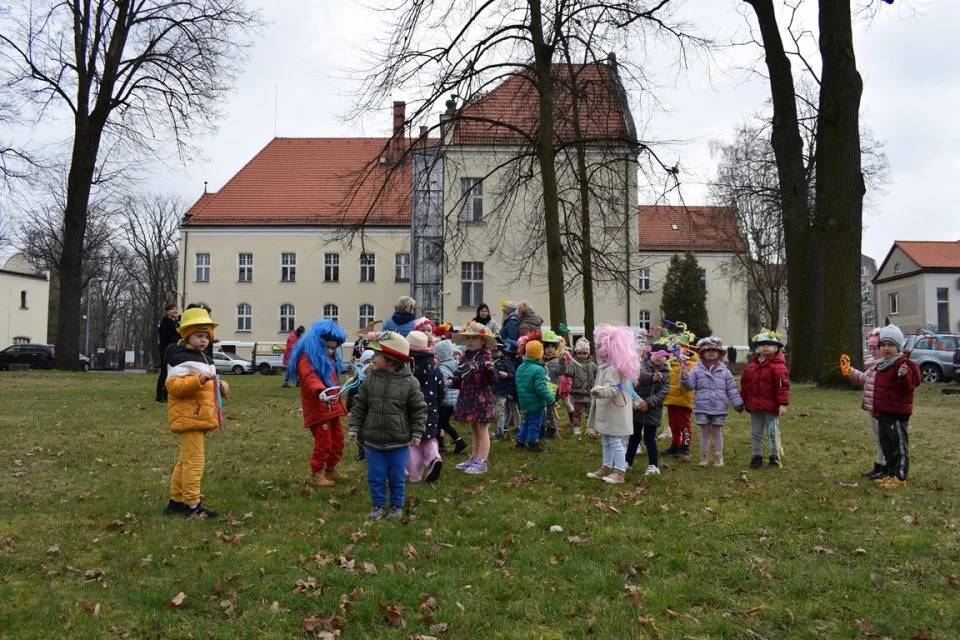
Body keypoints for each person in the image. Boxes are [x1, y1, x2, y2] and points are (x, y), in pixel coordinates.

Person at [348, 331, 427, 520]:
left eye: (376, 355)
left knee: (397, 478)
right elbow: (360, 406)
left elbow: (418, 409)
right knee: (375, 477)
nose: (372, 358)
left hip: (398, 442)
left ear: (391, 360)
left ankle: (396, 506)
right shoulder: (370, 380)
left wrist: (417, 431)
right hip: (373, 441)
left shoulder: (410, 383)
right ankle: (377, 505)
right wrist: (354, 427)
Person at [164, 306, 228, 519]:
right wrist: (198, 380)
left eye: (206, 336)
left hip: (199, 416)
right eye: (199, 336)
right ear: (187, 335)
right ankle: (193, 505)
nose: (204, 340)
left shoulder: (202, 357)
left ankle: (177, 500)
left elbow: (209, 383)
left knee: (185, 461)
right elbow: (174, 387)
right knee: (195, 462)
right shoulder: (180, 358)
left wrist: (221, 386)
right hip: (189, 417)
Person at [291, 320, 349, 487]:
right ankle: (318, 473)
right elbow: (309, 377)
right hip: (318, 408)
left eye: (333, 348)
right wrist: (319, 390)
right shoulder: (306, 359)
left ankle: (331, 469)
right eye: (328, 347)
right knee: (324, 442)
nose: (330, 351)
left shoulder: (329, 360)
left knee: (338, 441)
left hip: (332, 407)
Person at [585, 324, 640, 484]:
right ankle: (606, 467)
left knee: (616, 441)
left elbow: (613, 389)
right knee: (606, 440)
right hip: (607, 411)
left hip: (615, 411)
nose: (599, 351)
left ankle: (620, 471)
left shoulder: (613, 369)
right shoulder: (605, 367)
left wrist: (599, 391)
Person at [870, 324, 921, 488]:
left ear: (898, 347)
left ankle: (899, 476)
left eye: (891, 345)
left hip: (897, 413)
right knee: (887, 444)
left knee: (898, 445)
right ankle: (890, 473)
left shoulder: (902, 364)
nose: (886, 348)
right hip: (884, 412)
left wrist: (903, 377)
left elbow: (910, 386)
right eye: (883, 344)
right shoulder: (883, 364)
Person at [681, 337, 744, 468]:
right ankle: (704, 457)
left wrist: (737, 403)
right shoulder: (696, 370)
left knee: (716, 431)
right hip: (702, 406)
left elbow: (731, 389)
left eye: (714, 350)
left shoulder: (725, 372)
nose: (711, 352)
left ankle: (718, 457)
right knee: (704, 432)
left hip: (719, 407)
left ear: (719, 354)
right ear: (702, 353)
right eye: (708, 350)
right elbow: (690, 386)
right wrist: (685, 378)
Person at [450, 321, 498, 474]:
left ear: (483, 340)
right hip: (468, 396)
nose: (469, 341)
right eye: (468, 338)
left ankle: (481, 461)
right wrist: (453, 381)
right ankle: (474, 457)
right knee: (473, 428)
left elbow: (491, 380)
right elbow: (460, 374)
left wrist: (490, 370)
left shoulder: (485, 357)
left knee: (482, 428)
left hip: (481, 397)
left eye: (473, 338)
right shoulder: (466, 356)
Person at [740, 329, 791, 469]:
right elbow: (745, 386)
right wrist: (741, 401)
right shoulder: (751, 368)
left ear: (775, 348)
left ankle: (775, 457)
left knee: (773, 432)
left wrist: (783, 404)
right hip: (755, 406)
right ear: (757, 348)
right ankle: (757, 456)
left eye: (769, 345)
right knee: (756, 432)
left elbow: (783, 387)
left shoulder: (779, 367)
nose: (766, 347)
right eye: (762, 345)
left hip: (771, 407)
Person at [626, 339, 671, 476]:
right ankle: (628, 462)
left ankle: (653, 465)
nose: (659, 357)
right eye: (657, 353)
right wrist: (652, 377)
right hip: (638, 407)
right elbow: (641, 377)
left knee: (650, 438)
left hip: (653, 410)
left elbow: (663, 392)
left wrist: (649, 403)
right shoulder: (641, 366)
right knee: (634, 437)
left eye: (663, 355)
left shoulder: (667, 374)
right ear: (649, 354)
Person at [845, 327, 884, 478]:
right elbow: (863, 379)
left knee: (883, 439)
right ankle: (879, 466)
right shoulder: (873, 366)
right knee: (878, 439)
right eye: (871, 348)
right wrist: (850, 371)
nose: (873, 351)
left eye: (876, 348)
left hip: (883, 410)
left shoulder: (885, 367)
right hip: (873, 409)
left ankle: (884, 467)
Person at [406, 331, 445, 483]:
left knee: (413, 442)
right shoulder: (434, 366)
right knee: (429, 438)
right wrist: (437, 402)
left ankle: (415, 475)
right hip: (430, 409)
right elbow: (442, 389)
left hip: (411, 411)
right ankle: (434, 458)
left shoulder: (407, 367)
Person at [662, 327, 697, 459]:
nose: (678, 349)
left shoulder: (692, 363)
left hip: (684, 399)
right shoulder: (671, 362)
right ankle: (675, 444)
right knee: (673, 424)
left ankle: (685, 446)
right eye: (675, 346)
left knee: (684, 424)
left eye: (681, 346)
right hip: (671, 399)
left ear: (687, 348)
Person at [514, 340, 555, 452]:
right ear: (540, 354)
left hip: (523, 401)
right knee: (535, 423)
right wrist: (551, 399)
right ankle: (533, 442)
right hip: (535, 402)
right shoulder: (539, 370)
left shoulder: (521, 367)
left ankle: (520, 441)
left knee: (526, 422)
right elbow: (541, 388)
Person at [434, 339, 467, 454]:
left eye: (436, 354)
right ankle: (443, 444)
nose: (435, 357)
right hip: (452, 399)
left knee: (442, 423)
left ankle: (459, 441)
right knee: (442, 423)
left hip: (445, 400)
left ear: (442, 354)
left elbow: (443, 384)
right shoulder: (455, 363)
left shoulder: (442, 367)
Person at [569, 338, 599, 437]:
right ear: (576, 353)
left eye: (584, 353)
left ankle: (590, 428)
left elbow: (598, 374)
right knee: (577, 412)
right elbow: (568, 372)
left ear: (588, 354)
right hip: (578, 393)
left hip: (589, 393)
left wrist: (594, 383)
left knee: (590, 412)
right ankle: (576, 427)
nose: (582, 355)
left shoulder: (592, 365)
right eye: (579, 353)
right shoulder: (573, 364)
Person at [491, 338, 518, 440]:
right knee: (490, 410)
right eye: (493, 351)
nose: (494, 353)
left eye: (497, 351)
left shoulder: (506, 362)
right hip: (490, 390)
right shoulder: (488, 361)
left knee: (500, 411)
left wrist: (506, 375)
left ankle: (500, 431)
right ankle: (488, 430)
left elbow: (512, 375)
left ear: (501, 351)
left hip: (502, 391)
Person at [155, 303, 180, 402]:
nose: (175, 311)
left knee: (171, 373)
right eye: (172, 309)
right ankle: (160, 396)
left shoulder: (176, 323)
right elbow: (165, 337)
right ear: (168, 311)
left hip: (174, 350)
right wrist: (177, 339)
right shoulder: (165, 322)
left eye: (176, 309)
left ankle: (168, 394)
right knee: (164, 372)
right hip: (166, 350)